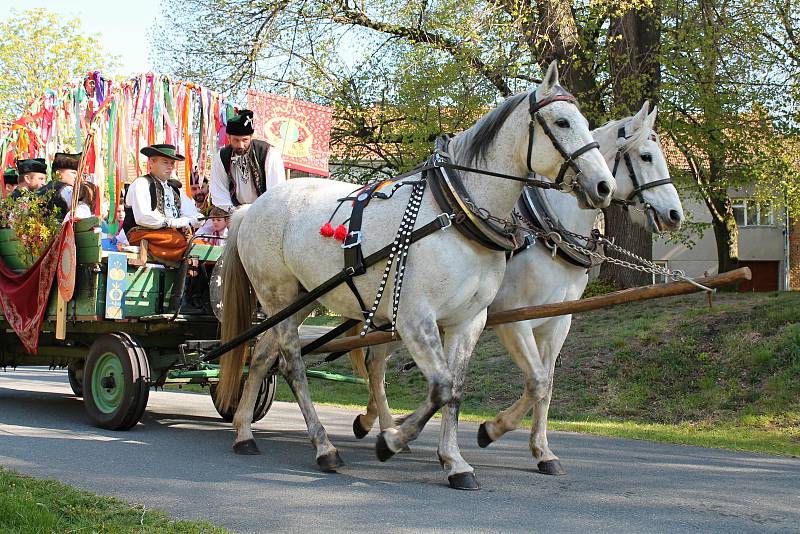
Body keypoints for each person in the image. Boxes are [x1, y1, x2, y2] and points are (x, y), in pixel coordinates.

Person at [123, 144, 201, 263]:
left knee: (202, 245)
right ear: (152, 162)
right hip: (144, 234)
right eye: (165, 162)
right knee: (178, 241)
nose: (170, 167)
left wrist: (196, 220)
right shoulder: (141, 183)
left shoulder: (175, 189)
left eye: (172, 163)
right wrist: (174, 222)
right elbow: (143, 217)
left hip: (170, 236)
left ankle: (195, 277)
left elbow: (194, 215)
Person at [209, 109, 286, 213]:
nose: (240, 145)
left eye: (245, 140)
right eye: (236, 140)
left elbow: (277, 191)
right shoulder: (222, 157)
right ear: (228, 137)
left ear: (251, 137)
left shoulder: (268, 153)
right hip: (236, 213)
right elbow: (219, 192)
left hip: (264, 212)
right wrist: (234, 211)